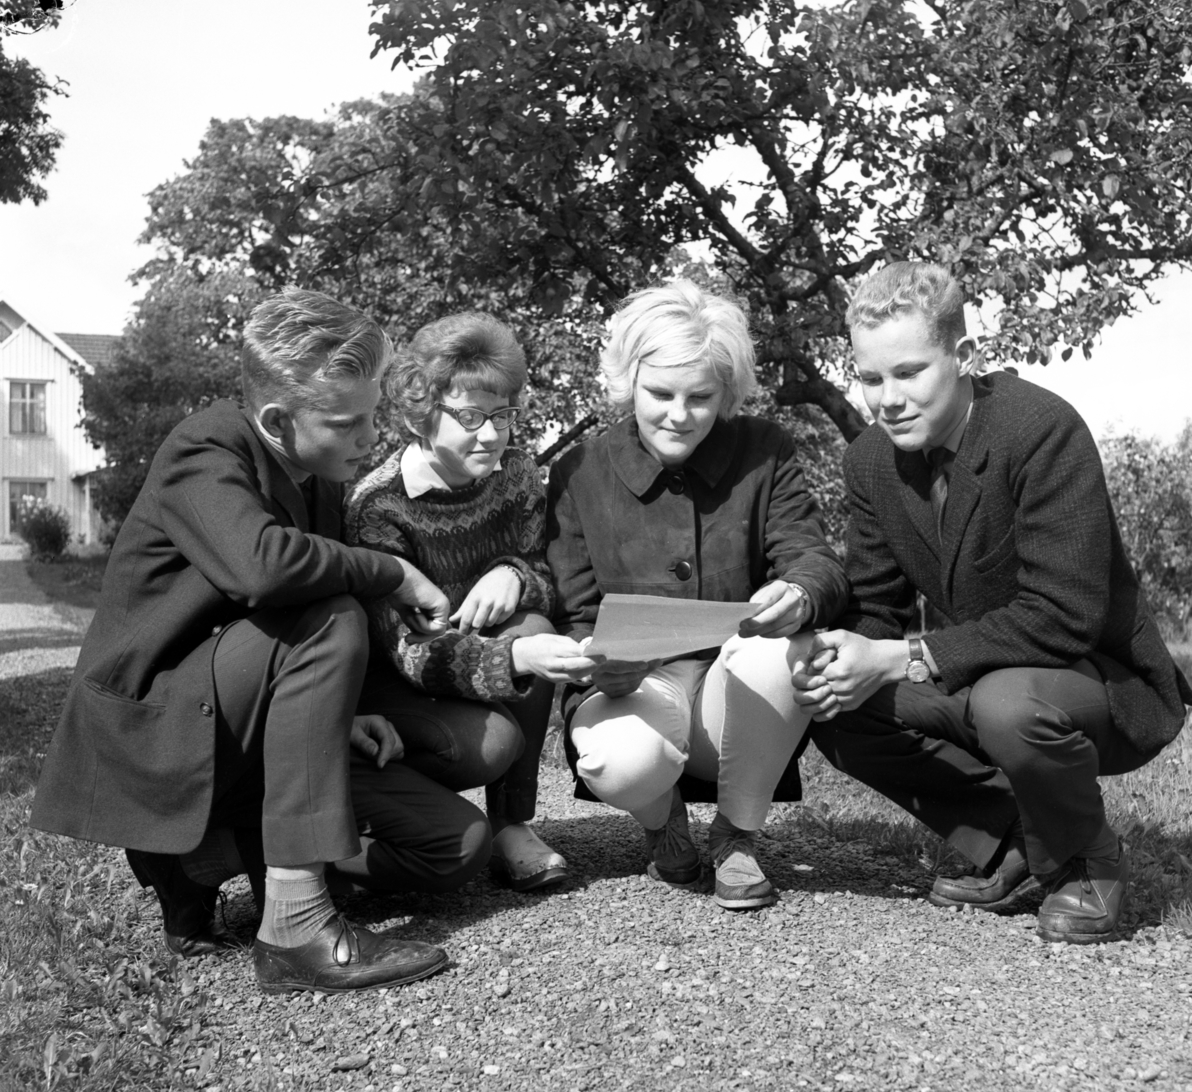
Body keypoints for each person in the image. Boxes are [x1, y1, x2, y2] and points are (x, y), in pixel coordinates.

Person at [31, 288, 489, 994]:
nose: (371, 438)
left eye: (372, 415)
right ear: (277, 419)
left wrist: (346, 710)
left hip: (240, 716)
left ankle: (201, 859)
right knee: (333, 613)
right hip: (166, 723)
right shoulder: (205, 447)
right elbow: (263, 568)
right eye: (348, 422)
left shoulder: (318, 475)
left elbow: (289, 630)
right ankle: (296, 924)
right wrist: (394, 572)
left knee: (457, 847)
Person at [800, 261, 1191, 944]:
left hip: (1097, 680)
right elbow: (875, 608)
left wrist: (902, 656)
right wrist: (839, 653)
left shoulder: (1040, 429)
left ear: (965, 355)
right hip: (980, 673)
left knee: (1006, 704)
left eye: (910, 372)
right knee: (835, 704)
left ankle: (1087, 860)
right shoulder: (869, 461)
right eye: (871, 378)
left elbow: (1063, 615)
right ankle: (1014, 836)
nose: (888, 399)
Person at [546, 280, 849, 911]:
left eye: (701, 398)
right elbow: (575, 613)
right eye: (660, 394)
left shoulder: (766, 451)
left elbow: (813, 558)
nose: (679, 416)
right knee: (619, 761)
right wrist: (596, 662)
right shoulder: (578, 471)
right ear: (629, 381)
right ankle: (663, 824)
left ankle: (737, 836)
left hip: (734, 696)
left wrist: (800, 591)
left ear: (726, 392)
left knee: (787, 647)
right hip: (631, 691)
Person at [345, 311, 579, 893]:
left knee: (533, 623)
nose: (492, 435)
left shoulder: (517, 474)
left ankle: (510, 825)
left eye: (503, 415)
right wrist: (515, 659)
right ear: (420, 415)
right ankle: (365, 805)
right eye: (470, 417)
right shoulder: (378, 507)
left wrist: (514, 573)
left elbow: (546, 577)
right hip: (400, 684)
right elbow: (407, 651)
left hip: (482, 651)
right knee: (494, 742)